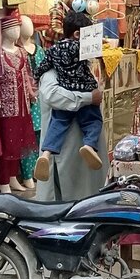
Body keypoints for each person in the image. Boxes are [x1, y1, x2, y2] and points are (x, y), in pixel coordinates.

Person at [34, 11, 102, 180]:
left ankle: (46, 153)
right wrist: (89, 97)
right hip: (83, 100)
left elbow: (42, 66)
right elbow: (53, 96)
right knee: (93, 121)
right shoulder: (80, 50)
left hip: (69, 109)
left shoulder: (53, 51)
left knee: (58, 124)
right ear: (78, 34)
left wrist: (35, 76)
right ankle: (90, 146)